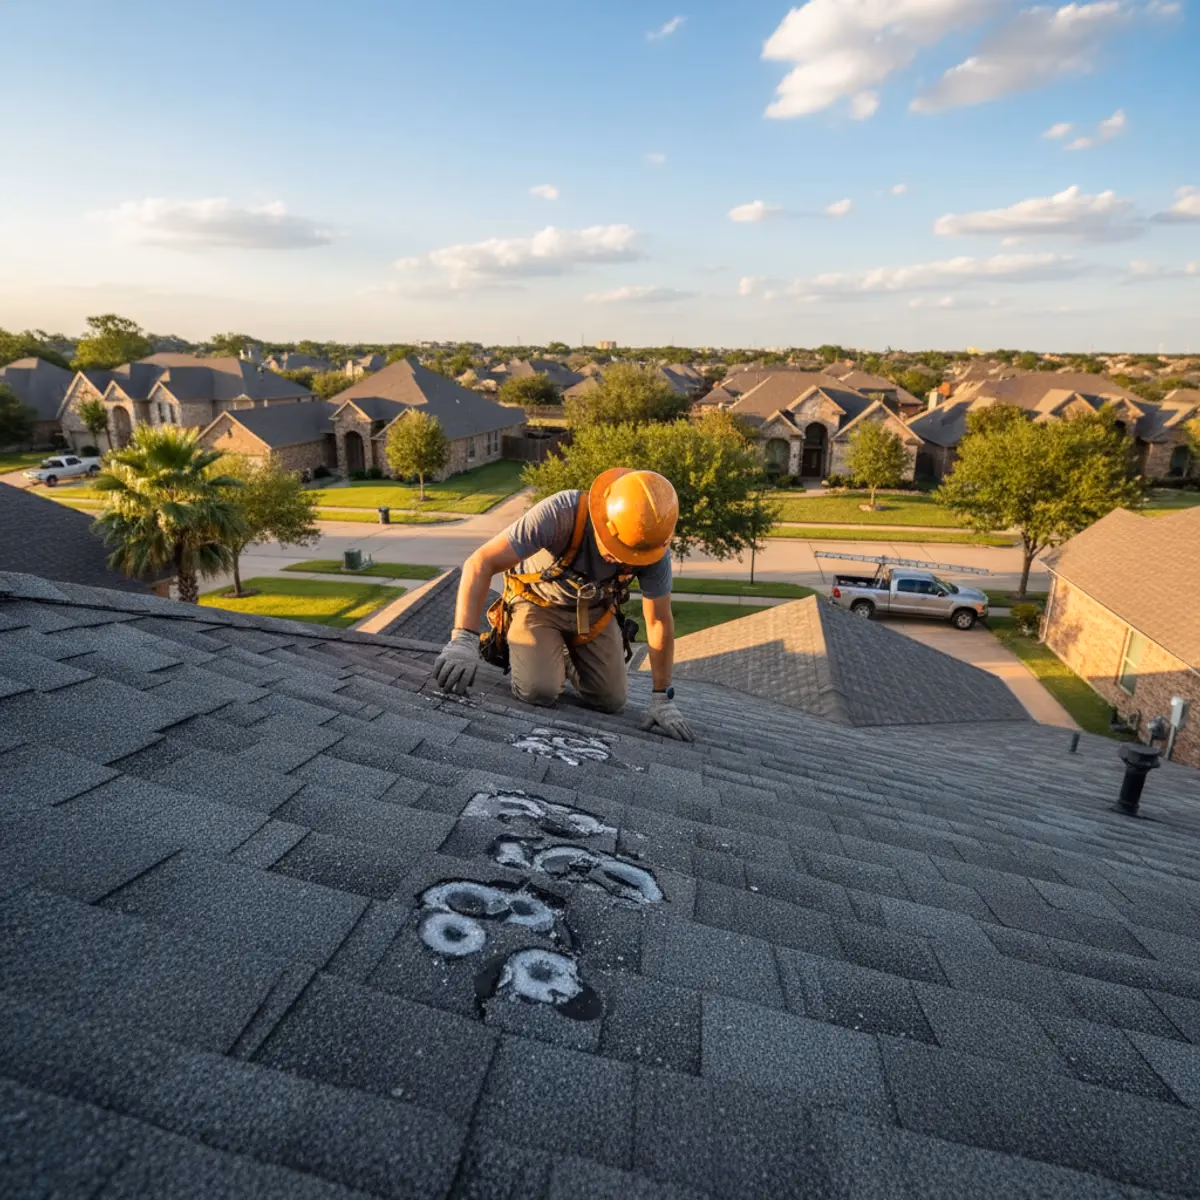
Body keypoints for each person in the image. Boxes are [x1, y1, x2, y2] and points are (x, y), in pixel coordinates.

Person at [432, 467, 693, 741]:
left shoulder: (650, 547)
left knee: (611, 701)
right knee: (539, 691)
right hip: (537, 604)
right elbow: (481, 562)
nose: (621, 559)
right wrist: (463, 640)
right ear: (603, 519)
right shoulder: (562, 513)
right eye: (617, 549)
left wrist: (662, 697)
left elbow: (659, 620)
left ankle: (565, 657)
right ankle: (544, 652)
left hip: (593, 613)